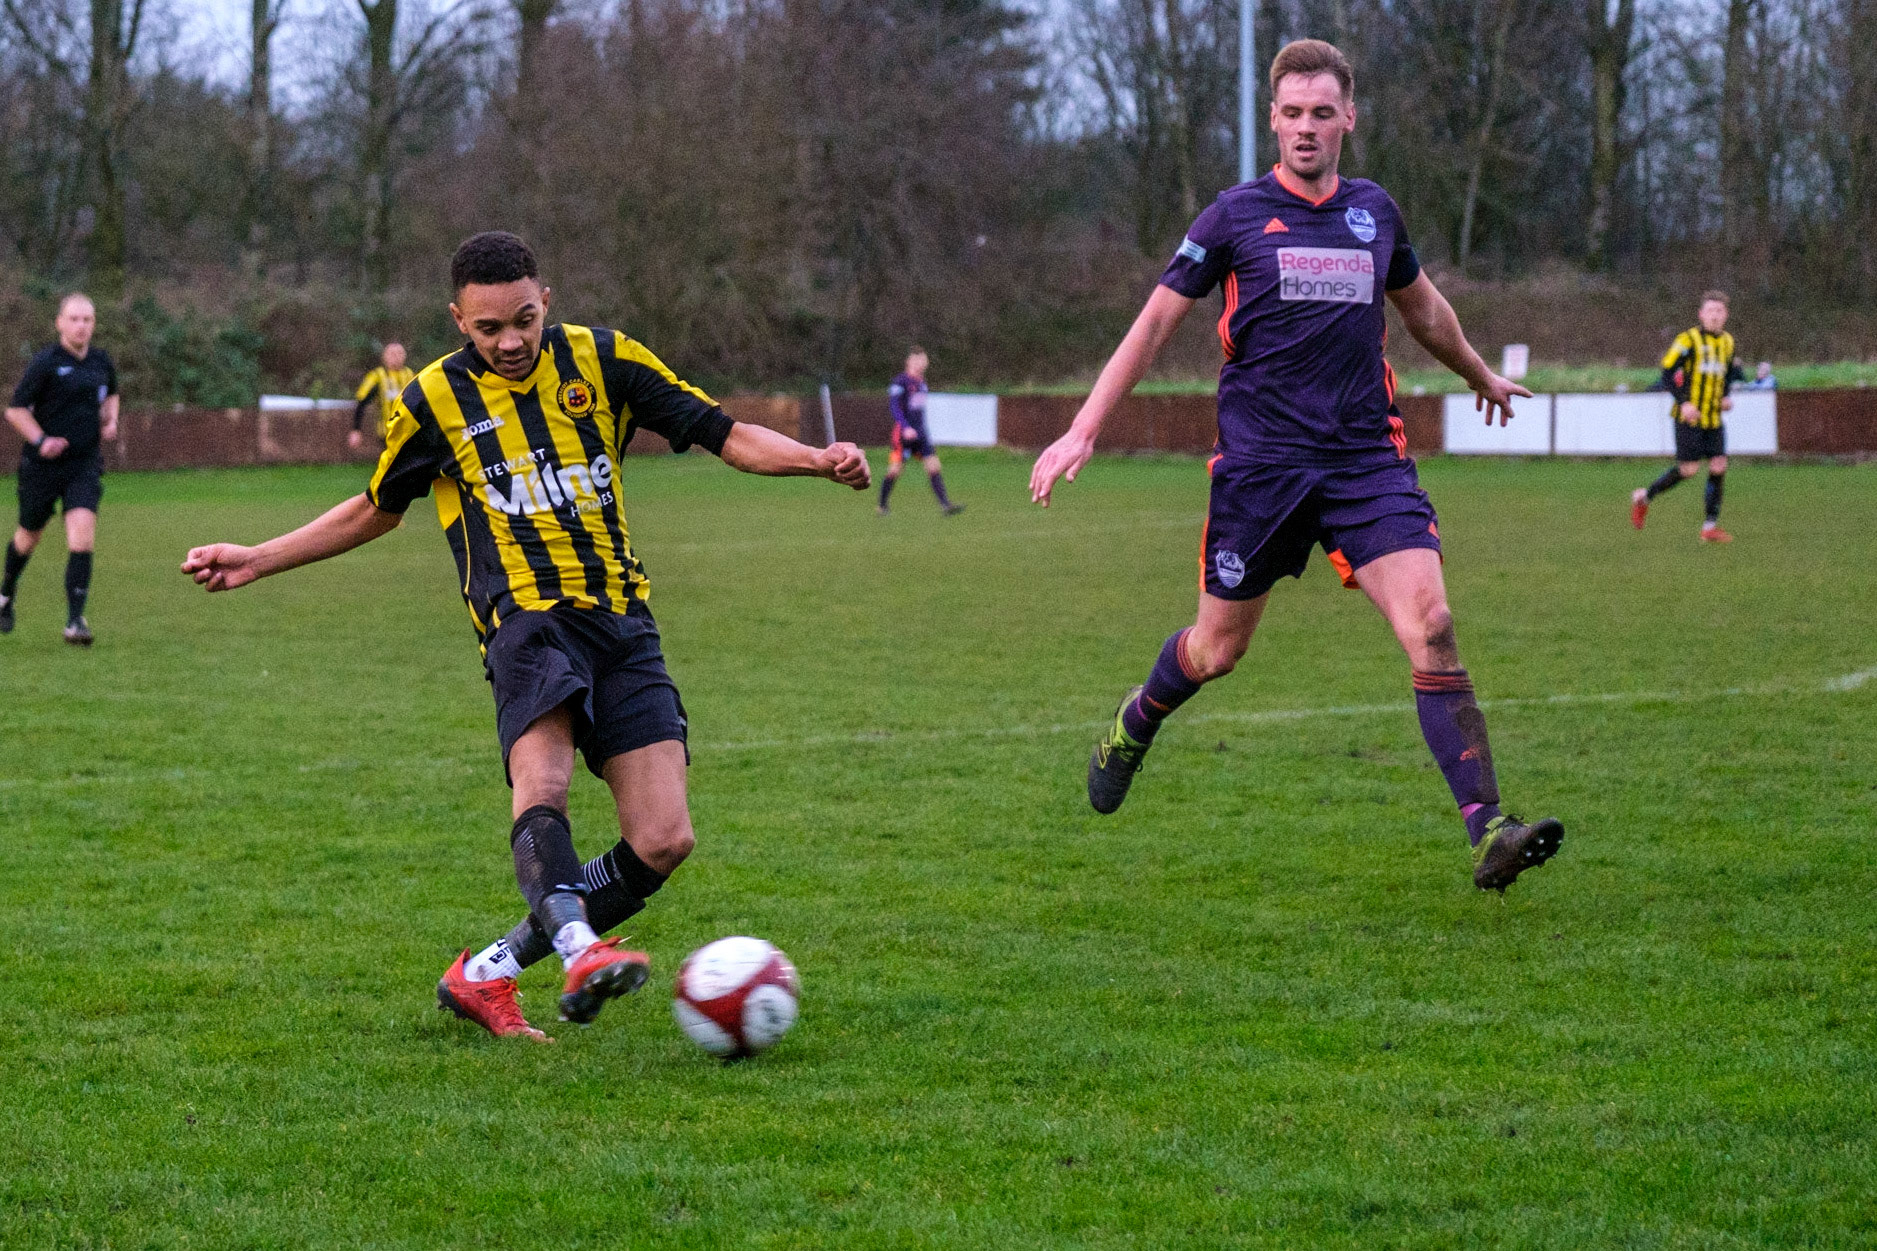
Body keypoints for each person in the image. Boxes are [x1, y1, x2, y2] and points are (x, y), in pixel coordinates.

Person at [182, 232, 871, 1039]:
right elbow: (375, 507)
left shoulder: (604, 359)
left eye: (523, 320)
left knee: (662, 838)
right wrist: (258, 557)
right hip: (525, 623)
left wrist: (817, 459)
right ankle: (580, 947)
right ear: (458, 320)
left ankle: (487, 973)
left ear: (546, 300)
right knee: (542, 783)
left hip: (621, 621)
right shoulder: (433, 399)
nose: (509, 341)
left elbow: (726, 433)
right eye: (488, 328)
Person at [1028, 39, 1563, 894]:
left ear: (1348, 117)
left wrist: (1479, 374)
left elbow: (1424, 310)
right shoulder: (1232, 218)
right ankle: (1136, 719)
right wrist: (1083, 429)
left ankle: (1488, 828)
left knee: (1431, 621)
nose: (1305, 127)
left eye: (1321, 112)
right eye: (1290, 113)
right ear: (1271, 120)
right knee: (1215, 650)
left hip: (1364, 463)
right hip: (1261, 472)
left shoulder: (1373, 213)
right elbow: (1153, 324)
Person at [2, 293, 118, 644]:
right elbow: (15, 410)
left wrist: (111, 419)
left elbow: (112, 393)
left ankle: (75, 621)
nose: (81, 325)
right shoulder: (46, 363)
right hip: (42, 468)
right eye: (74, 319)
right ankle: (6, 594)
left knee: (82, 537)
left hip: (84, 465)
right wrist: (41, 441)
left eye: (87, 319)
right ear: (60, 323)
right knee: (28, 536)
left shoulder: (101, 361)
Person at [1630, 291, 1745, 542]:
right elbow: (1667, 373)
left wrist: (1725, 396)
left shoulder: (1728, 342)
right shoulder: (1687, 340)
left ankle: (1709, 527)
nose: (1715, 315)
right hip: (1688, 418)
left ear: (1726, 315)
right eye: (1710, 311)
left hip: (1713, 418)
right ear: (1701, 314)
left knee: (1719, 464)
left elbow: (1726, 375)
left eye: (1719, 311)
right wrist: (1683, 403)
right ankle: (1644, 498)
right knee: (1689, 469)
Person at [877, 347, 963, 516]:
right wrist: (905, 427)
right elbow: (895, 407)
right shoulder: (900, 382)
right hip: (903, 435)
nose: (920, 363)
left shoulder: (922, 383)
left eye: (923, 360)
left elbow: (919, 411)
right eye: (916, 360)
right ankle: (882, 506)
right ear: (908, 361)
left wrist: (922, 430)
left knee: (934, 466)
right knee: (895, 470)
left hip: (921, 434)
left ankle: (946, 506)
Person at [347, 341, 415, 451]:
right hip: (387, 433)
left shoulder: (410, 375)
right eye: (392, 354)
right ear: (384, 357)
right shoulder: (377, 376)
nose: (396, 357)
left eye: (400, 353)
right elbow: (362, 403)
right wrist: (356, 429)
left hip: (409, 433)